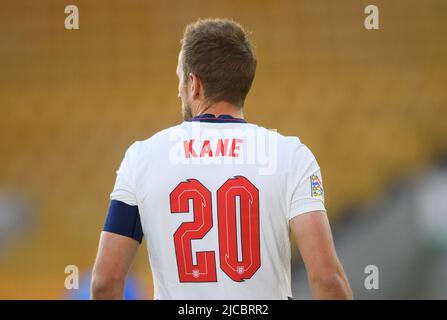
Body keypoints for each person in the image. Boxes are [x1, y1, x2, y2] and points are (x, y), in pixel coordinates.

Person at [91, 18, 352, 300]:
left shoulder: (141, 157)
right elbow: (326, 279)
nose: (178, 88)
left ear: (194, 84)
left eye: (180, 77)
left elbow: (105, 281)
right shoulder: (292, 155)